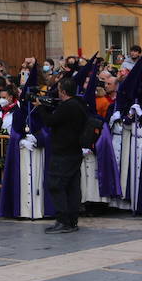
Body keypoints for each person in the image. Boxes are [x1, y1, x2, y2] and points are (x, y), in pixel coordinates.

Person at [39, 76, 89, 233]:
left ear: (63, 91)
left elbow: (50, 121)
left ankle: (63, 221)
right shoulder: (79, 104)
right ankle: (72, 220)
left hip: (63, 152)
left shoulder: (67, 106)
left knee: (56, 185)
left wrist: (40, 107)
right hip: (75, 150)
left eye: (59, 89)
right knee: (73, 187)